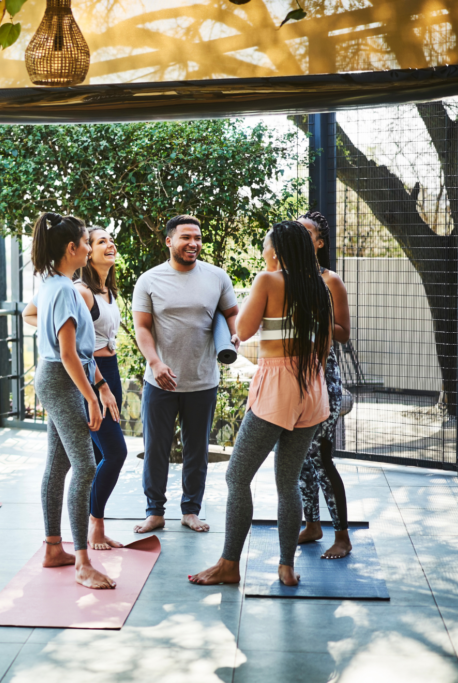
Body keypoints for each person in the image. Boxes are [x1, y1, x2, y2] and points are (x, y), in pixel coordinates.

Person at [189, 221, 333, 587]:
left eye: (266, 246)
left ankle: (229, 564)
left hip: (277, 387)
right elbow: (327, 345)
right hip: (312, 389)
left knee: (237, 476)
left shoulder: (268, 280)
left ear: (278, 252)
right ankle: (285, 566)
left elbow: (246, 330)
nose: (264, 252)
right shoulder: (321, 286)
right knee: (288, 483)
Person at [22, 212, 119, 590]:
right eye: (85, 240)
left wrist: (101, 385)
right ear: (72, 248)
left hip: (61, 378)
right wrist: (91, 398)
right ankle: (82, 561)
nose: (87, 245)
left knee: (60, 462)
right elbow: (67, 353)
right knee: (86, 465)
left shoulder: (53, 283)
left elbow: (81, 350)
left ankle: (52, 548)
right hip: (61, 380)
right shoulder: (63, 290)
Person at [132, 215, 239, 534]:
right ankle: (155, 512)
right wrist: (155, 363)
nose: (193, 243)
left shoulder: (217, 277)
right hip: (160, 382)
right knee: (155, 450)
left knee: (197, 452)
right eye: (186, 237)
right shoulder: (149, 280)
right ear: (169, 241)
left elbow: (232, 314)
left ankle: (191, 511)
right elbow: (141, 327)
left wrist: (234, 335)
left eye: (198, 237)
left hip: (203, 381)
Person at [296, 210, 353, 559]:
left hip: (324, 380)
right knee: (300, 457)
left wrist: (315, 321)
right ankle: (312, 524)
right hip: (293, 380)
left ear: (319, 242)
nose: (300, 237)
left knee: (320, 455)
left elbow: (344, 334)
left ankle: (342, 536)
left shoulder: (330, 280)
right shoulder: (281, 278)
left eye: (307, 232)